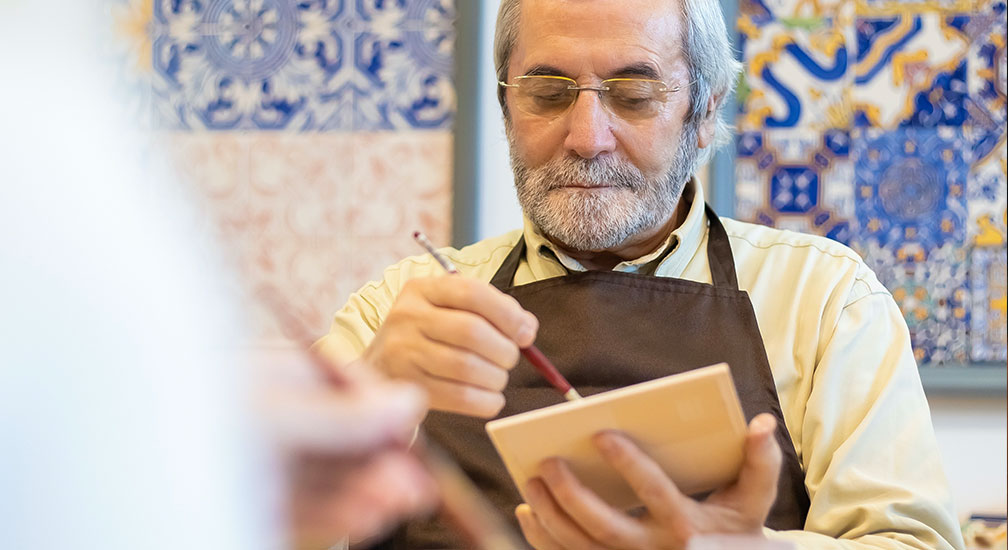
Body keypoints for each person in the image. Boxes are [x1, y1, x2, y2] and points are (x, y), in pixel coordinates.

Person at [314, 0, 966, 548]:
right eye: (547, 93)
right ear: (508, 107)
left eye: (633, 95)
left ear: (706, 114)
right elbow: (234, 520)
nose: (587, 136)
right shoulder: (398, 310)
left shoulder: (823, 302)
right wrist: (351, 413)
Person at [0, 2, 435, 548]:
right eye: (546, 92)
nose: (581, 138)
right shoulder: (30, 140)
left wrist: (213, 456)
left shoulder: (54, 113)